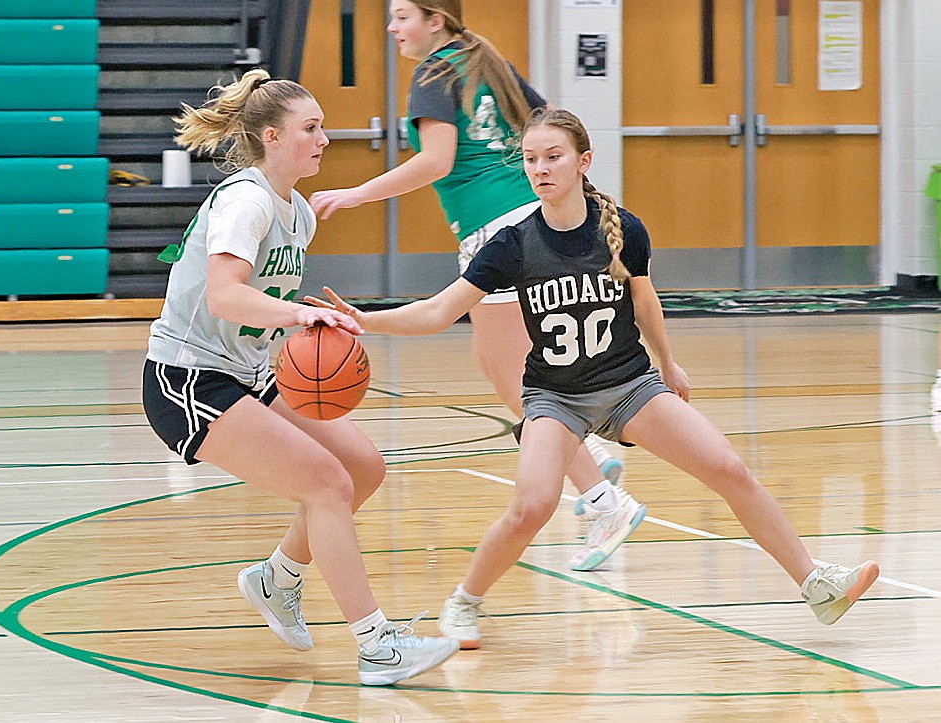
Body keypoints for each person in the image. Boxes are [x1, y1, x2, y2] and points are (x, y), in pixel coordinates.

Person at [306, 108, 880, 648]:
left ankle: (816, 584)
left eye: (551, 156)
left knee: (728, 467)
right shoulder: (510, 243)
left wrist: (667, 362)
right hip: (555, 397)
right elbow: (439, 311)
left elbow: (645, 299)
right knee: (531, 507)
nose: (539, 169)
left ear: (583, 160)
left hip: (630, 385)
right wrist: (365, 321)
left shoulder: (623, 229)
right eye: (530, 159)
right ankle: (464, 600)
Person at [141, 69, 458, 685]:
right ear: (271, 136)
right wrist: (297, 313)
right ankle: (377, 648)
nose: (323, 139)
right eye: (310, 129)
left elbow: (263, 311)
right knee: (326, 484)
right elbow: (226, 296)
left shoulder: (298, 212)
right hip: (188, 379)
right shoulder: (247, 199)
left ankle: (276, 578)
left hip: (245, 371)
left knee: (364, 466)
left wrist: (317, 329)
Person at [309, 0, 642, 574]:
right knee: (512, 363)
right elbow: (549, 120)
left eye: (403, 16)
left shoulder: (435, 72)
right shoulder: (481, 58)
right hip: (532, 213)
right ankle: (591, 467)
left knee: (510, 369)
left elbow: (437, 161)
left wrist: (356, 194)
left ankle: (600, 493)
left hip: (497, 227)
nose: (393, 28)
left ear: (436, 19)